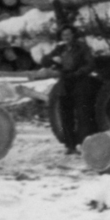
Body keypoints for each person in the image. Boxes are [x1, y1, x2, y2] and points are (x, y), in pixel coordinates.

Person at [41, 25, 96, 154]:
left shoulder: (81, 47)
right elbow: (44, 61)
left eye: (69, 34)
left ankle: (84, 144)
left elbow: (90, 64)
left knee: (83, 114)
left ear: (73, 35)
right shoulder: (60, 48)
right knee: (65, 113)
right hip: (65, 82)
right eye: (64, 35)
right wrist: (52, 59)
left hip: (80, 82)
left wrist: (78, 73)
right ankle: (70, 145)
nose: (66, 37)